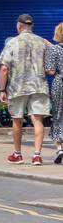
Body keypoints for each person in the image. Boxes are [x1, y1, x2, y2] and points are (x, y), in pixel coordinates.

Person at [0, 13, 51, 166]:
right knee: (38, 120)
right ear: (31, 26)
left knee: (17, 120)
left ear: (19, 26)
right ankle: (37, 156)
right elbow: (54, 52)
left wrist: (2, 90)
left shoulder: (12, 43)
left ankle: (17, 154)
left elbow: (4, 68)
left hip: (18, 87)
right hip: (39, 86)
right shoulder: (42, 42)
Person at [48, 23, 63, 164]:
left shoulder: (54, 50)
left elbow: (51, 71)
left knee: (58, 115)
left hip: (59, 84)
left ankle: (59, 148)